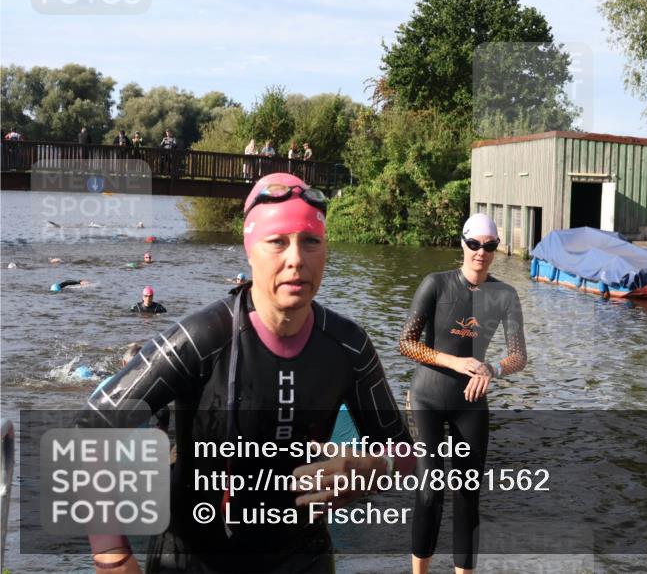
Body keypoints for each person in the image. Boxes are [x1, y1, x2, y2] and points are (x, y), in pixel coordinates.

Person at [78, 172, 414, 573]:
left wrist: (374, 467)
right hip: (193, 559)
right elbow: (89, 426)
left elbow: (405, 453)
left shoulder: (348, 344)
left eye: (311, 242)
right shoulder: (202, 338)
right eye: (277, 242)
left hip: (302, 560)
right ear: (249, 250)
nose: (296, 259)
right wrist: (111, 555)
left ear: (325, 251)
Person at [399, 213, 527, 574]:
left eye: (489, 246)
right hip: (426, 397)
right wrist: (454, 363)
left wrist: (493, 368)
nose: (480, 253)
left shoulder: (505, 295)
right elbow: (406, 344)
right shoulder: (435, 285)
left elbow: (519, 355)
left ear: (496, 249)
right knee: (429, 491)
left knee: (468, 497)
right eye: (474, 244)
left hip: (470, 403)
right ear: (463, 243)